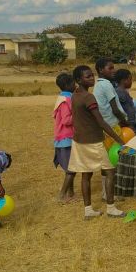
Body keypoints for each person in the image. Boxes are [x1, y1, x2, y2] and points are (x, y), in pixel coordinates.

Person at [68, 65, 126, 220]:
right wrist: (119, 140)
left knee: (86, 175)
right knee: (110, 171)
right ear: (79, 80)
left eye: (91, 75)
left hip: (79, 140)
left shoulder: (75, 95)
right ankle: (111, 208)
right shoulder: (88, 97)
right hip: (93, 140)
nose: (91, 78)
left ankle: (88, 210)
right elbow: (101, 122)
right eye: (87, 76)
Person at [94, 59, 129, 203]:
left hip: (104, 126)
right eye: (110, 68)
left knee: (107, 160)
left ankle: (105, 192)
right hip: (112, 126)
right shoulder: (107, 85)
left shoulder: (98, 85)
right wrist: (124, 120)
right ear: (101, 70)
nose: (113, 70)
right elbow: (115, 108)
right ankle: (111, 192)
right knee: (114, 160)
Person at [53, 72, 76, 204]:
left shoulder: (63, 98)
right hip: (66, 139)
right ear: (68, 85)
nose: (75, 85)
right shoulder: (66, 100)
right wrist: (79, 115)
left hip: (65, 139)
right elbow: (67, 120)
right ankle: (62, 195)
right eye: (73, 83)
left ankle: (71, 193)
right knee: (71, 169)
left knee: (71, 168)